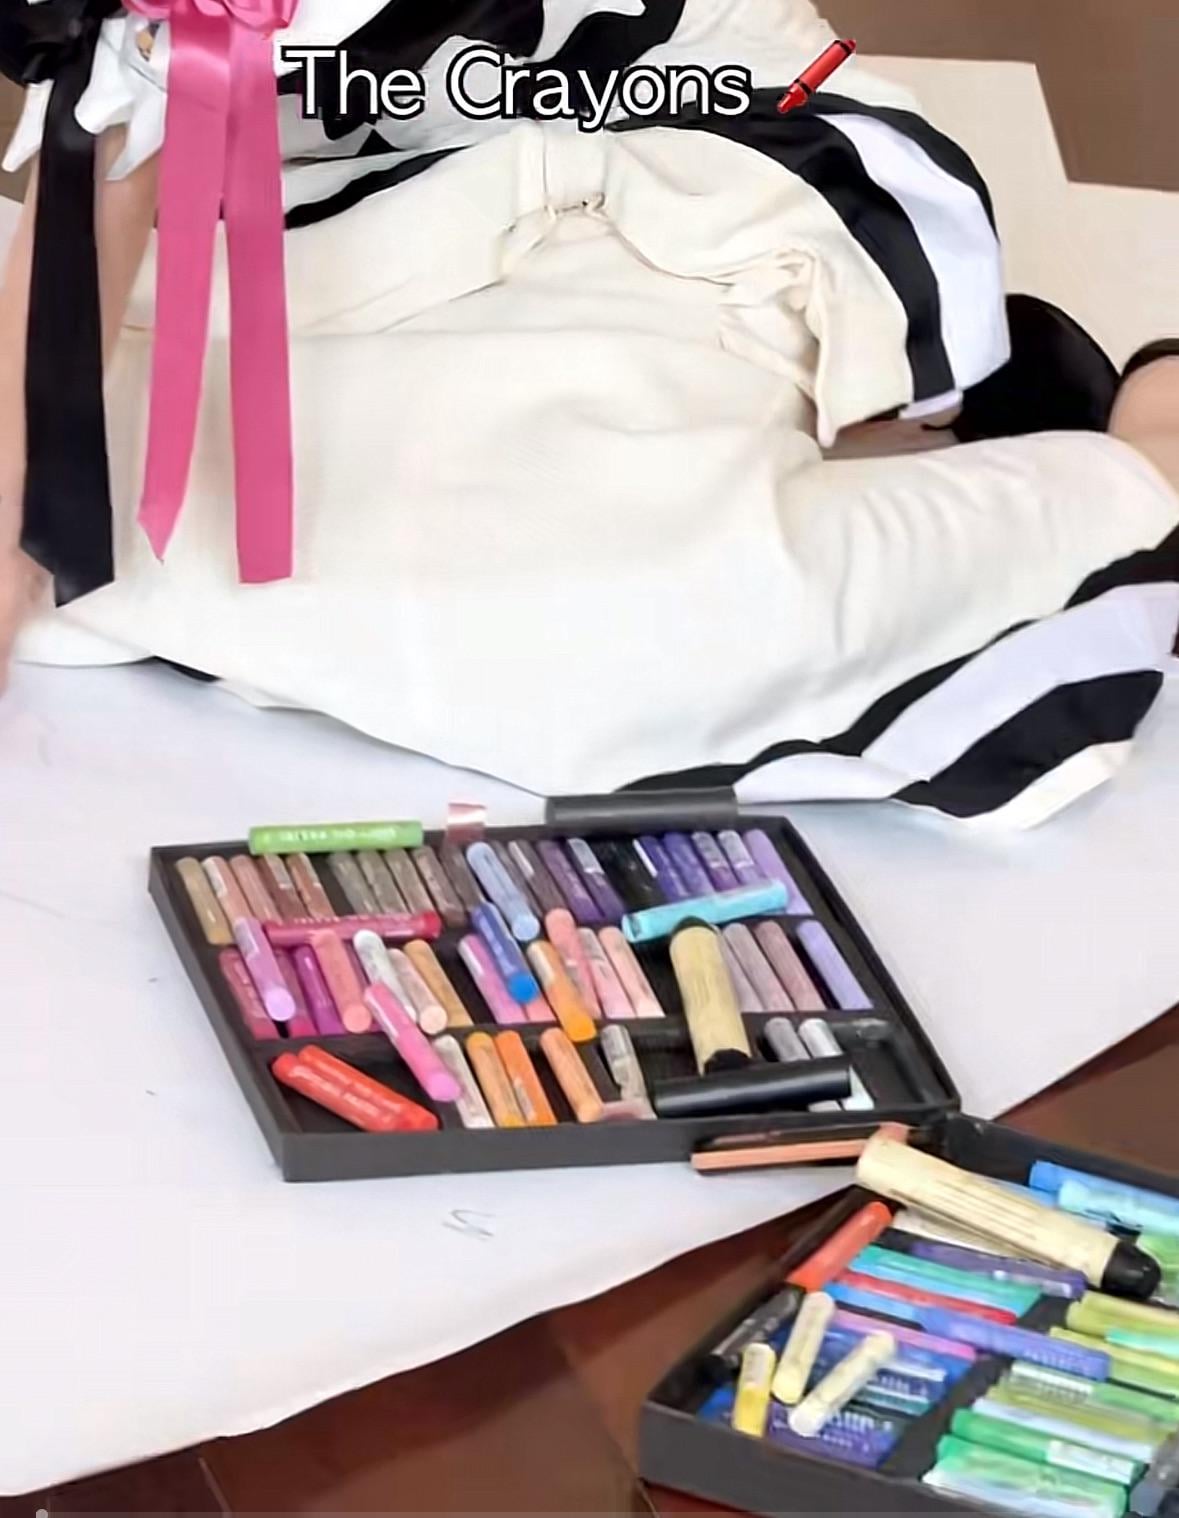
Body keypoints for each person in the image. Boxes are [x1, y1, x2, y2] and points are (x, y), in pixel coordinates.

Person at [1, 0, 1176, 825]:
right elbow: (111, 141)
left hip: (672, 158)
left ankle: (1125, 465)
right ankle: (865, 417)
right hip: (318, 202)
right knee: (116, 531)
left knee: (594, 633)